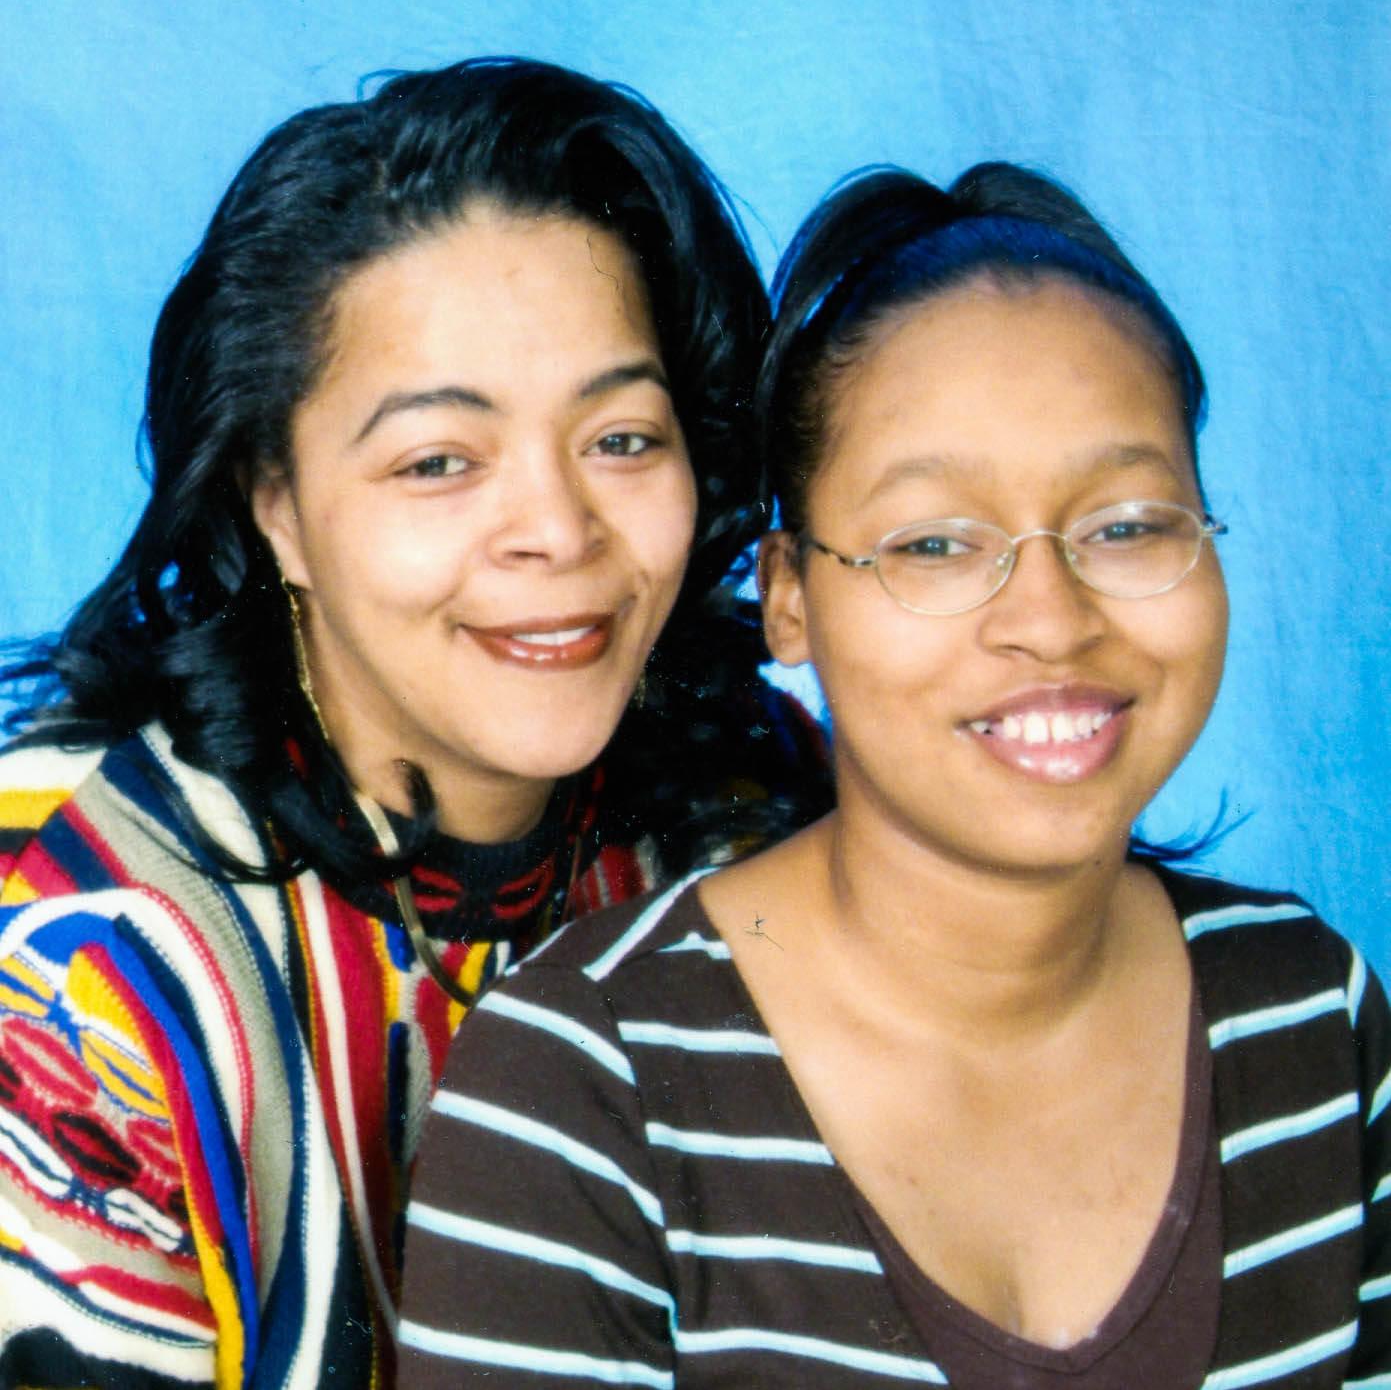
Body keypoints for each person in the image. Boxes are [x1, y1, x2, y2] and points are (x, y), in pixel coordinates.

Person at [397, 162, 1391, 1387]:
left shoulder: (1303, 1012)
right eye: (932, 542)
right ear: (789, 599)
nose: (1050, 617)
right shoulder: (583, 1080)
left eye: (1127, 524)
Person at [0, 58, 827, 1390]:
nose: (558, 531)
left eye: (620, 437)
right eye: (439, 460)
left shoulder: (757, 789)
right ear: (274, 499)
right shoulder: (82, 962)